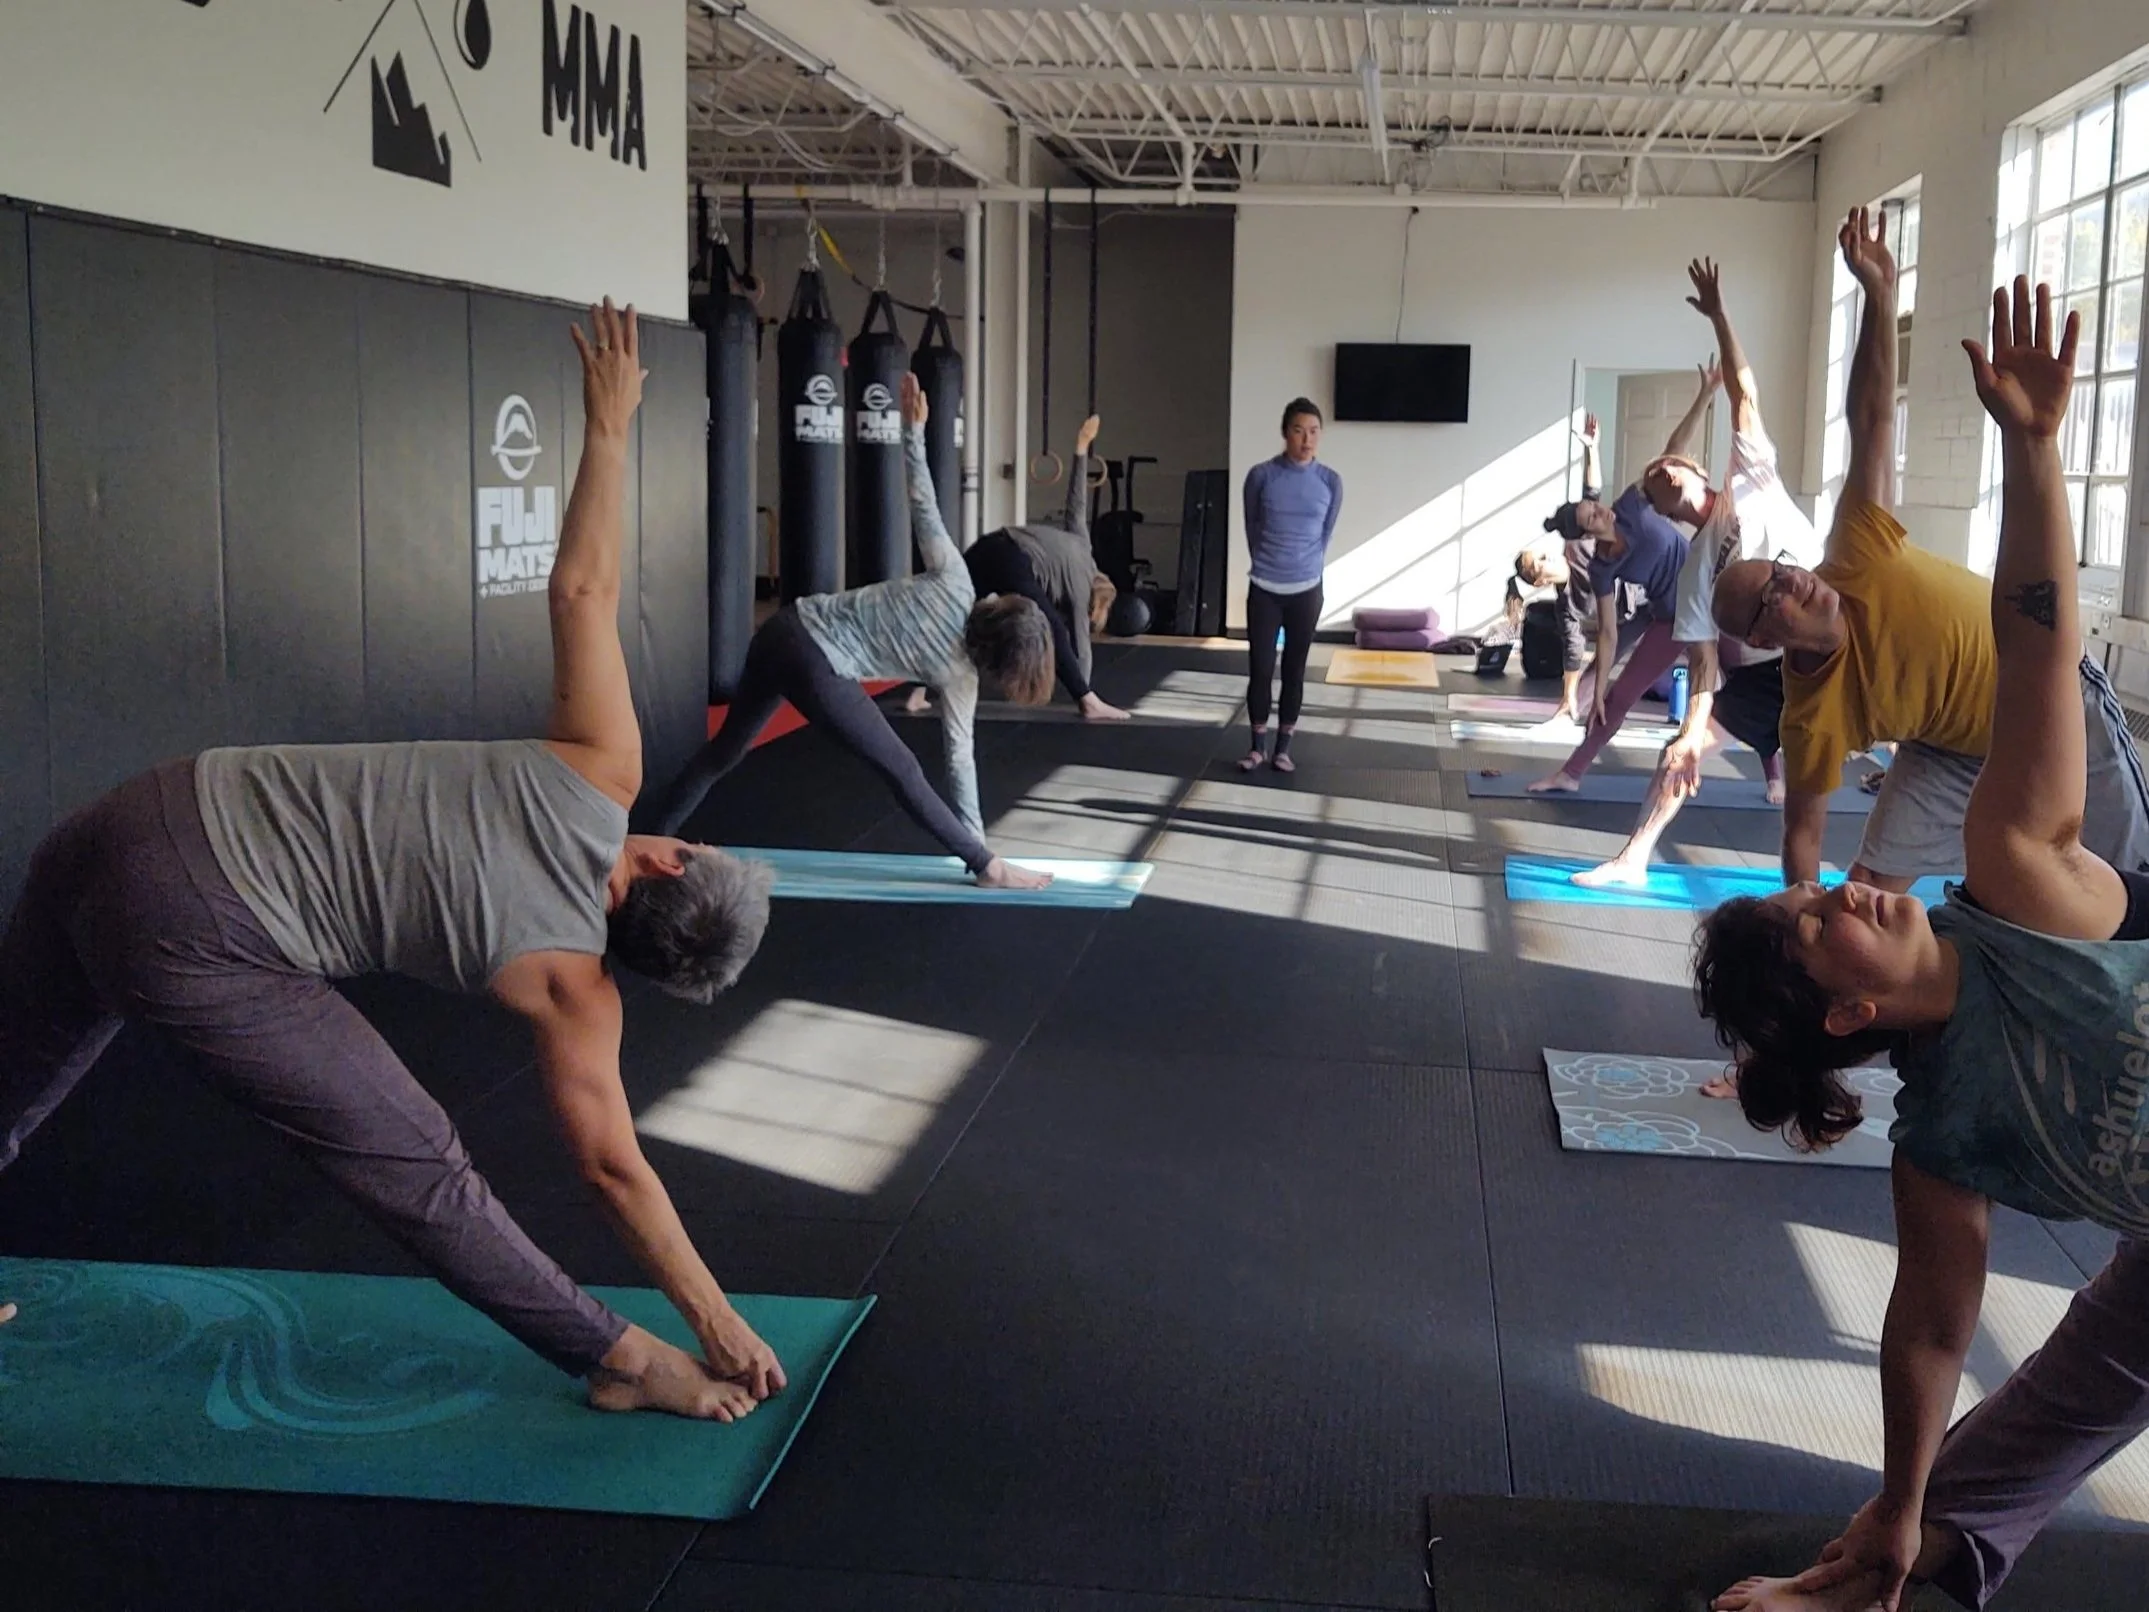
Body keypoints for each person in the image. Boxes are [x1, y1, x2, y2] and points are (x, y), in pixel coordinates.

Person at [0, 301, 786, 1420]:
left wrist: (609, 425)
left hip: (134, 813)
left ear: (665, 867)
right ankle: (617, 1355)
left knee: (16, 1067)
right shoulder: (577, 993)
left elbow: (582, 589)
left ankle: (620, 1352)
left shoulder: (601, 768)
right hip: (190, 922)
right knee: (417, 1159)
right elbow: (615, 1168)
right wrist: (715, 1314)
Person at [1698, 279, 2149, 1612]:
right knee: (2030, 1421)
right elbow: (1933, 1330)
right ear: (1844, 1014)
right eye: (1820, 920)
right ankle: (1888, 1565)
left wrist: (2028, 449)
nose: (1845, 893)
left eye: (1817, 891)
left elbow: (2035, 650)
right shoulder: (1938, 1138)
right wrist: (1896, 1503)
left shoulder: (2015, 881)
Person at [1709, 209, 2149, 897]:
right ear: (1765, 636)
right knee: (1870, 888)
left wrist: (1881, 299)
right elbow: (1801, 837)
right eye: (1776, 595)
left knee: (2123, 886)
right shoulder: (1810, 716)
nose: (1797, 583)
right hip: (1948, 749)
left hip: (2056, 701)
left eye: (1783, 569)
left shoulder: (1854, 552)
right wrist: (1803, 916)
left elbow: (1872, 421)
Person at [641, 374, 1056, 891]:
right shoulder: (959, 678)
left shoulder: (956, 578)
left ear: (997, 611)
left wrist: (913, 430)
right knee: (902, 767)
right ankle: (986, 867)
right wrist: (983, 852)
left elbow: (922, 502)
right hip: (818, 663)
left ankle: (645, 838)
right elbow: (959, 762)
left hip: (781, 630)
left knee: (723, 751)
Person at [1568, 262, 1813, 887]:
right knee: (1679, 752)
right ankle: (1633, 857)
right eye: (1655, 484)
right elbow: (1703, 663)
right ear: (1657, 502)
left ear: (1695, 470)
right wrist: (1690, 729)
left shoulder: (1751, 475)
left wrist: (1721, 317)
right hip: (1772, 674)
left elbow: (1745, 393)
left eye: (1669, 472)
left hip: (1835, 638)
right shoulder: (1699, 566)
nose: (1662, 481)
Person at [1525, 365, 1720, 794]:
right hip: (1672, 617)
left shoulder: (1632, 503)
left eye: (1594, 507)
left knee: (1752, 681)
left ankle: (1775, 771)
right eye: (1592, 518)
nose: (1601, 512)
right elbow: (1609, 631)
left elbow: (1672, 455)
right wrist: (1596, 692)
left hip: (1703, 596)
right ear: (1586, 534)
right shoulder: (1602, 569)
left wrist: (1704, 395)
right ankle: (1571, 771)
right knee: (1616, 695)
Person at [907, 413, 1128, 722]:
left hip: (988, 546)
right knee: (1053, 626)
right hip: (1012, 559)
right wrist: (1085, 690)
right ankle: (1089, 702)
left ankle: (917, 693)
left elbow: (1077, 503)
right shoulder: (1081, 586)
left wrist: (1080, 449)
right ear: (1096, 599)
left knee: (952, 615)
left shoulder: (1082, 543)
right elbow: (1079, 638)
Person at [1509, 412, 1663, 724]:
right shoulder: (1567, 608)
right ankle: (1572, 711)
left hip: (1652, 584)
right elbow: (1573, 652)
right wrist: (1568, 696)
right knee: (1594, 673)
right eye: (1538, 562)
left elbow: (1590, 498)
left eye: (1541, 553)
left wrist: (1591, 448)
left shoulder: (1577, 544)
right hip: (1630, 617)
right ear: (1539, 580)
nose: (1546, 558)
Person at [1240, 398, 1343, 775]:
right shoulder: (1261, 476)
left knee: (1295, 670)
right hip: (1265, 587)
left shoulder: (1330, 481)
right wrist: (1269, 564)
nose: (1307, 439)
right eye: (1299, 430)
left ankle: (1283, 748)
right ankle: (1256, 747)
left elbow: (1325, 533)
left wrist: (1304, 567)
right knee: (1261, 667)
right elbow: (1252, 526)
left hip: (1306, 589)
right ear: (1286, 433)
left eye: (1314, 431)